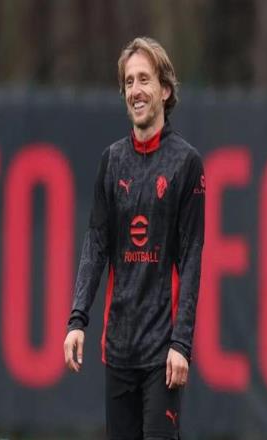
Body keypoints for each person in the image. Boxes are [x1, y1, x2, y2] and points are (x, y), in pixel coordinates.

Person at [64, 36, 205, 440]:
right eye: (129, 82)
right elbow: (96, 244)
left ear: (165, 90)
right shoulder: (111, 162)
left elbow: (192, 258)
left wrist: (181, 344)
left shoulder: (186, 163)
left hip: (163, 353)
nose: (135, 90)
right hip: (119, 350)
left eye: (144, 79)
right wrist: (77, 319)